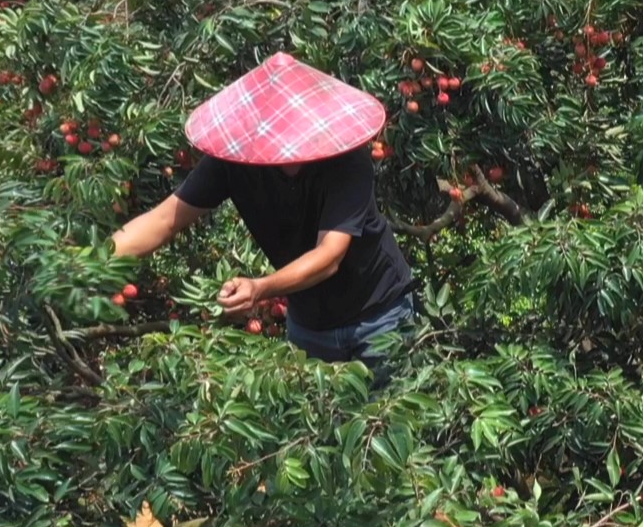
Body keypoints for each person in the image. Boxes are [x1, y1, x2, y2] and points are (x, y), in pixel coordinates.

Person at [111, 52, 416, 384]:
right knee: (318, 428)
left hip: (378, 315)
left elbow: (329, 256)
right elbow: (164, 220)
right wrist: (89, 264)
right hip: (310, 323)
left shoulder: (347, 162)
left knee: (386, 422)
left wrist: (260, 288)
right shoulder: (233, 161)